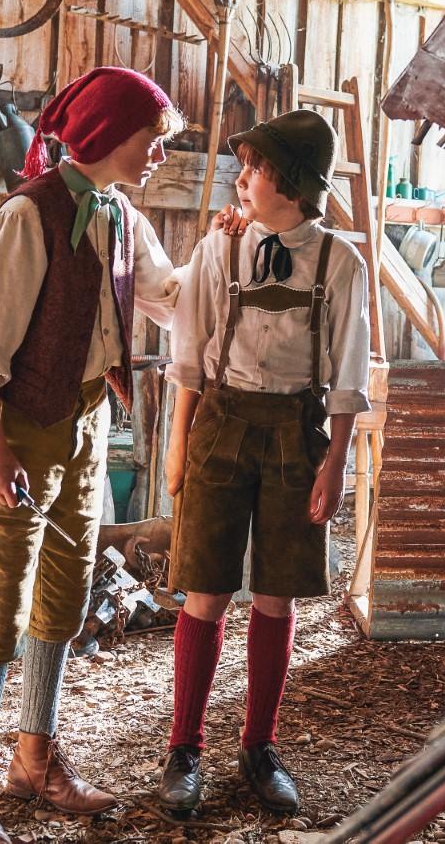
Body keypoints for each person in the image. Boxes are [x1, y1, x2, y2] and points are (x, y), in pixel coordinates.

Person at [0, 67, 235, 843]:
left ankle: (35, 757)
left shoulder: (119, 214)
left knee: (66, 595)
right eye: (151, 141)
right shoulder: (26, 217)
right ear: (108, 135)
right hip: (16, 422)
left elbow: (171, 298)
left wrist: (220, 247)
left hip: (81, 420)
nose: (158, 156)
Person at [156, 109, 371, 818]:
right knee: (205, 588)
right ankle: (184, 748)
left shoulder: (341, 262)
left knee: (276, 594)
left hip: (295, 431)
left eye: (256, 168)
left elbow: (347, 371)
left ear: (295, 184)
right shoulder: (220, 250)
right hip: (222, 421)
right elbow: (187, 357)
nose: (242, 178)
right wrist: (179, 447)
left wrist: (336, 460)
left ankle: (258, 746)